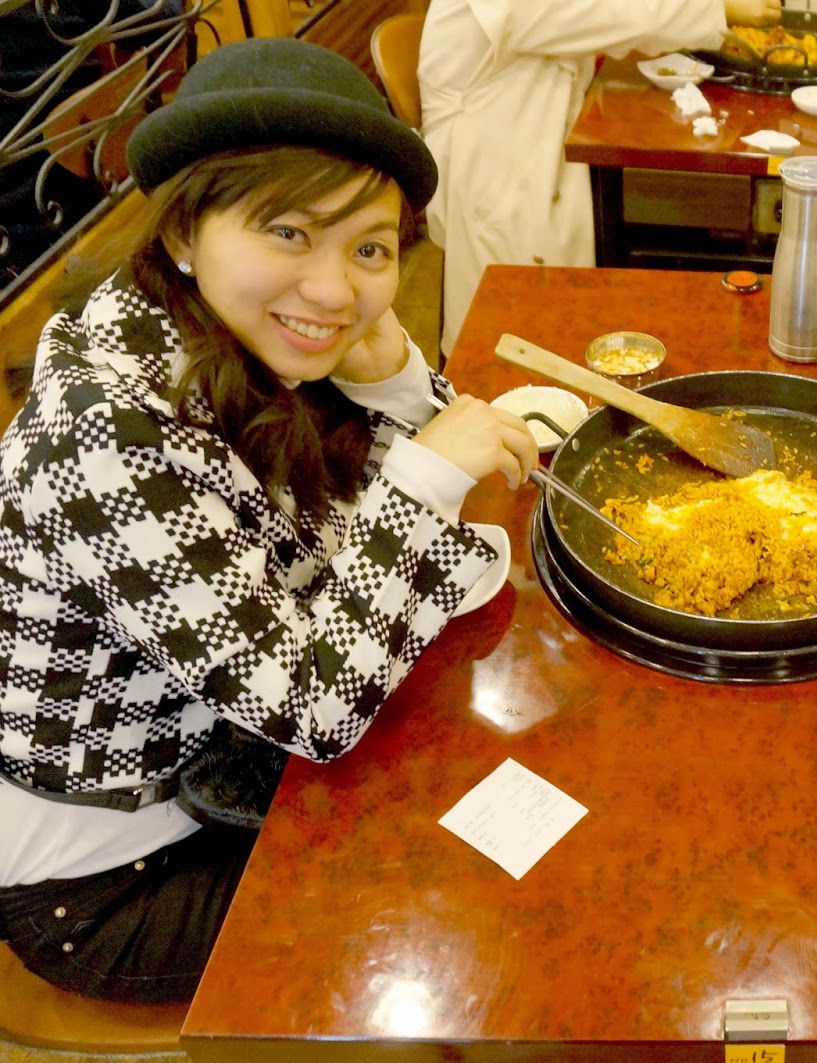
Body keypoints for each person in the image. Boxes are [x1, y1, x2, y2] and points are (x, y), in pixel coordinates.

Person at [0, 38, 540, 1004]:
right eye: (288, 231)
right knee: (469, 893)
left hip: (234, 763)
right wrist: (424, 477)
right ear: (184, 229)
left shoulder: (222, 327)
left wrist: (394, 385)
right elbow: (311, 707)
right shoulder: (107, 429)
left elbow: (336, 535)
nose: (334, 290)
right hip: (118, 875)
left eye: (368, 249)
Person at [419, 0, 782, 358]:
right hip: (493, 157)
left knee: (555, 320)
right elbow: (607, 12)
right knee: (508, 334)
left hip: (529, 128)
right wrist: (719, 8)